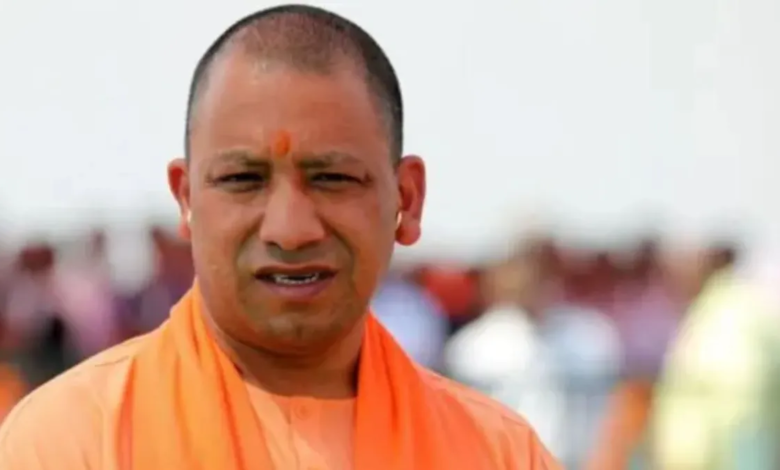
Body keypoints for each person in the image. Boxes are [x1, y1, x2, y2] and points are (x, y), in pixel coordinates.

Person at [0, 5, 560, 469]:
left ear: (406, 200)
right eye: (243, 179)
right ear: (186, 200)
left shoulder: (498, 453)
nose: (290, 231)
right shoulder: (68, 441)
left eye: (332, 178)